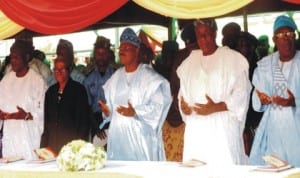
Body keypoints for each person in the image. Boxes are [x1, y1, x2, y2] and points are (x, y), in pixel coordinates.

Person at [177, 18, 251, 165]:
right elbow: (182, 95)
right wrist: (183, 107)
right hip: (197, 130)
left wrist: (215, 107)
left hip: (222, 131)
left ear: (215, 34)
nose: (203, 40)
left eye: (206, 35)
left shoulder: (232, 59)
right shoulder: (189, 63)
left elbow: (242, 93)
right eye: (199, 36)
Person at [98, 27, 172, 161]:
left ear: (136, 50)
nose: (122, 51)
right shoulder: (116, 77)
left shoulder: (149, 77)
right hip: (119, 139)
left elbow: (158, 107)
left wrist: (136, 112)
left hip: (141, 140)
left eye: (127, 47)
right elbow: (111, 111)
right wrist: (107, 112)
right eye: (121, 47)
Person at [249, 15, 300, 167]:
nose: (286, 39)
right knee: (276, 170)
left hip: (296, 130)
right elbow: (256, 100)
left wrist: (294, 101)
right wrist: (261, 99)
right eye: (281, 35)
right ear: (274, 40)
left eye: (289, 34)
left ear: (295, 37)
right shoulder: (265, 65)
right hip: (274, 130)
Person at [0, 39, 47, 160]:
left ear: (26, 57)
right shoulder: (6, 80)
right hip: (10, 135)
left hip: (29, 136)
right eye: (11, 57)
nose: (13, 61)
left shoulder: (37, 81)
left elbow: (44, 112)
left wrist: (26, 115)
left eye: (16, 57)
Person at [41, 56, 90, 154]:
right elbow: (47, 123)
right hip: (52, 144)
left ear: (70, 69)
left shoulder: (78, 90)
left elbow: (83, 123)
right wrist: (43, 147)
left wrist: (78, 147)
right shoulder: (51, 92)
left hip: (71, 145)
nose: (58, 72)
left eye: (62, 69)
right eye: (55, 69)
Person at [83, 36, 115, 147]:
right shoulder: (88, 78)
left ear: (109, 55)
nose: (101, 57)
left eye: (104, 53)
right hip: (95, 120)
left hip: (113, 120)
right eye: (98, 54)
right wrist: (95, 126)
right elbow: (87, 106)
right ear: (94, 56)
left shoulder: (116, 75)